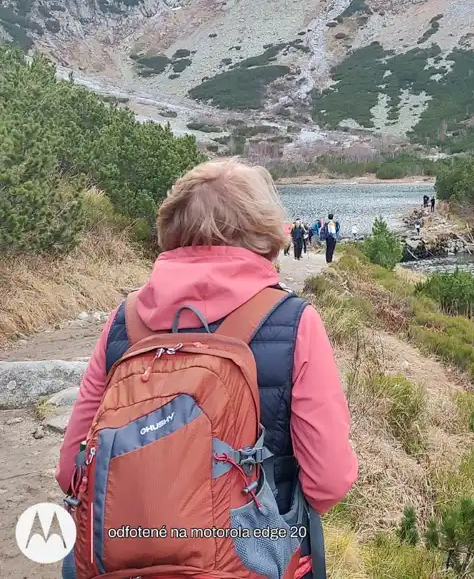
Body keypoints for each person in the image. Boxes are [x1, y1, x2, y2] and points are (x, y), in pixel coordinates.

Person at [55, 158, 356, 579]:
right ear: (264, 232)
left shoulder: (123, 322)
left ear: (171, 229)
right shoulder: (295, 322)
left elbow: (71, 469)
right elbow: (329, 480)